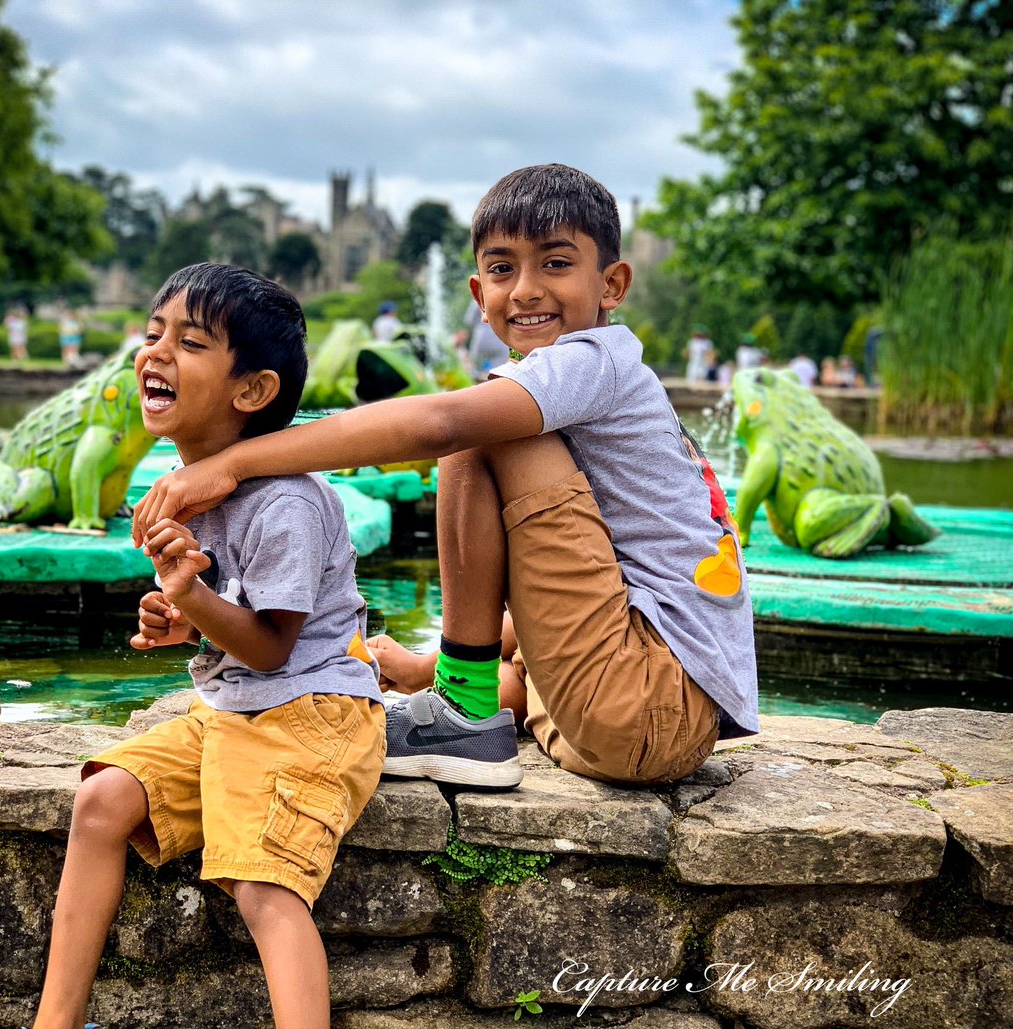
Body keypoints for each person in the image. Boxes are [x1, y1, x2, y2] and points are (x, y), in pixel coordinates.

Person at [0, 263, 385, 1029]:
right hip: (239, 708)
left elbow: (271, 642)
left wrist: (195, 596)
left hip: (312, 711)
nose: (157, 351)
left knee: (263, 881)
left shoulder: (285, 501)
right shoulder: (187, 486)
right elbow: (228, 631)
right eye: (154, 331)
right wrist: (182, 616)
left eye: (191, 341)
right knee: (102, 797)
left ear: (254, 389)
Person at [133, 164, 759, 793]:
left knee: (478, 430)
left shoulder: (593, 362)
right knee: (497, 446)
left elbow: (440, 424)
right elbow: (574, 585)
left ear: (613, 283)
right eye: (503, 268)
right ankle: (454, 685)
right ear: (477, 291)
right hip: (624, 716)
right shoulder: (577, 386)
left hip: (646, 704)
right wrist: (425, 666)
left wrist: (232, 462)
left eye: (557, 264)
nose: (526, 290)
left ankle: (463, 711)